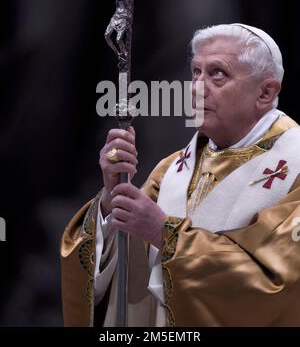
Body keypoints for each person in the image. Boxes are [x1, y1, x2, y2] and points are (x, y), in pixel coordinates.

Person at [61, 23, 300, 327]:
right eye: (196, 72)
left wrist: (166, 234)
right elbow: (126, 274)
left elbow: (279, 288)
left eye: (217, 74)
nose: (198, 87)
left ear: (265, 93)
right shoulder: (172, 170)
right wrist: (112, 198)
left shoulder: (294, 169)